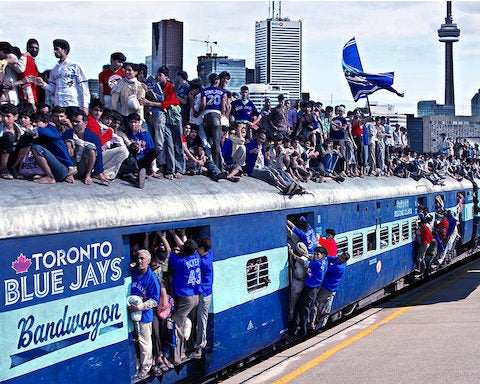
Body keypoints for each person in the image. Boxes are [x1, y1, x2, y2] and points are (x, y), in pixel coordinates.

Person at [35, 39, 90, 117]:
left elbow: (83, 86)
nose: (54, 51)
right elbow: (53, 89)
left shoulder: (75, 66)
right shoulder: (54, 69)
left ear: (64, 50)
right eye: (54, 49)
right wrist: (43, 84)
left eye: (57, 49)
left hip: (73, 103)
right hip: (59, 105)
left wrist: (85, 105)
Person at [169, 239, 202, 365]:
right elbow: (185, 247)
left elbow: (168, 252)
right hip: (195, 297)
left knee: (176, 326)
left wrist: (164, 237)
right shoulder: (197, 256)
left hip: (185, 298)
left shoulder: (181, 262)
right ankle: (189, 348)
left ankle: (178, 356)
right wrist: (177, 235)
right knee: (190, 324)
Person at [129, 249, 160, 381]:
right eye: (138, 258)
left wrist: (140, 307)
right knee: (136, 341)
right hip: (132, 313)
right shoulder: (134, 272)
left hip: (144, 315)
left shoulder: (152, 278)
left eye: (142, 259)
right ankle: (138, 364)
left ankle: (146, 367)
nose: (140, 261)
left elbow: (154, 300)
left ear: (148, 260)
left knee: (145, 343)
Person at [62, 110, 110, 185]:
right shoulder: (67, 134)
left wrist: (100, 172)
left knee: (91, 149)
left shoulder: (94, 137)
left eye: (77, 122)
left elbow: (99, 156)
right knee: (68, 143)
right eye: (73, 121)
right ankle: (69, 174)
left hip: (84, 166)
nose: (74, 124)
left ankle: (87, 175)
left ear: (85, 123)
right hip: (71, 166)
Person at [291, 246, 328, 336]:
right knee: (300, 307)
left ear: (323, 255)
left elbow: (304, 262)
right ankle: (296, 328)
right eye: (315, 254)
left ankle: (303, 332)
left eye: (317, 254)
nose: (315, 256)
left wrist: (293, 255)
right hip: (310, 287)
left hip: (311, 289)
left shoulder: (318, 264)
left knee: (305, 309)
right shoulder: (324, 261)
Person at [117, 113, 160, 189]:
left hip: (142, 161)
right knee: (133, 147)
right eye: (131, 122)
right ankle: (136, 177)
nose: (133, 124)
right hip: (130, 160)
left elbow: (150, 149)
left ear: (139, 122)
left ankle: (141, 171)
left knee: (156, 150)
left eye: (135, 122)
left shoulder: (145, 134)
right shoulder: (125, 133)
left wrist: (154, 169)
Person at [310, 250, 350, 330]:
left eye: (341, 258)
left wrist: (318, 261)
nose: (339, 258)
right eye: (340, 256)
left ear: (344, 261)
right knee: (324, 304)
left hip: (328, 288)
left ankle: (312, 321)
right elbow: (328, 257)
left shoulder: (339, 267)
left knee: (316, 302)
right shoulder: (337, 260)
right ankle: (320, 317)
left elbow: (325, 269)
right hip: (330, 287)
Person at [196, 73, 226, 171]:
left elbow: (203, 104)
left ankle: (206, 165)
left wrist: (199, 113)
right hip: (216, 115)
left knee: (206, 142)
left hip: (206, 116)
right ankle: (217, 168)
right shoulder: (222, 92)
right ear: (217, 82)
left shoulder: (204, 91)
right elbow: (223, 107)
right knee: (216, 142)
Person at [191, 236, 214, 359]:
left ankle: (199, 348)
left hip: (204, 294)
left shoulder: (203, 262)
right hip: (205, 292)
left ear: (201, 248)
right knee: (199, 319)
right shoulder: (209, 254)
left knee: (201, 320)